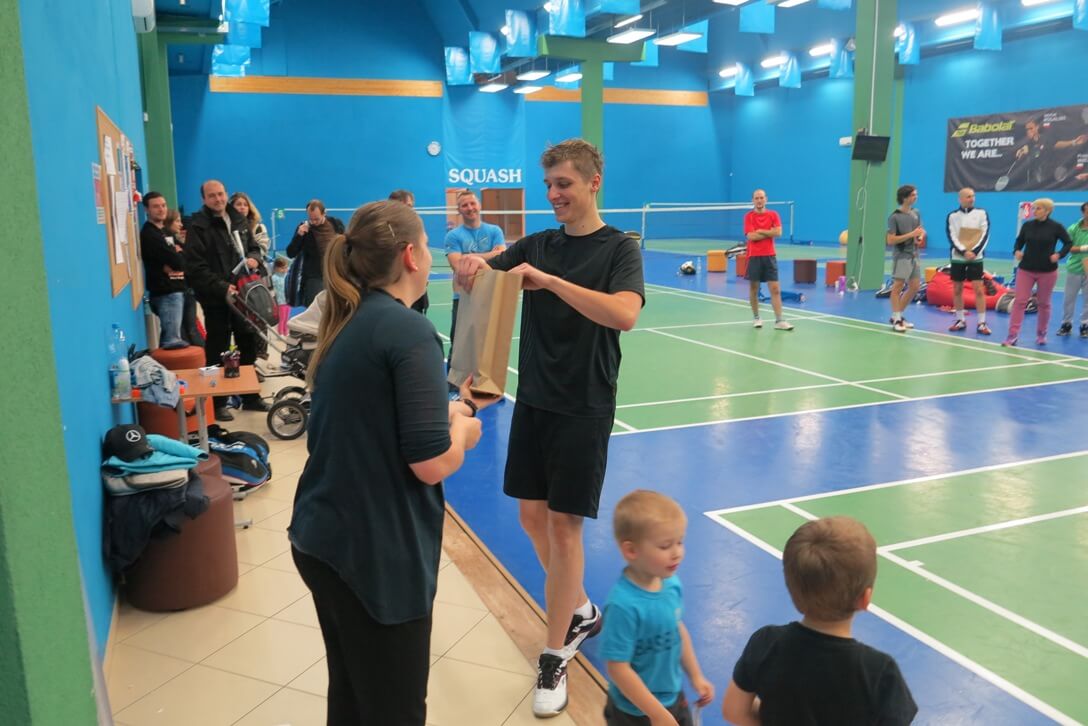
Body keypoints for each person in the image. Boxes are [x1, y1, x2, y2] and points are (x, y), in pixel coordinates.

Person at [455, 139, 645, 718]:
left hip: (584, 405)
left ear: (593, 182)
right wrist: (470, 268)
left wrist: (552, 282)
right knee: (531, 518)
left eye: (564, 183)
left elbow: (624, 314)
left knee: (564, 531)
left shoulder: (620, 248)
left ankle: (555, 653)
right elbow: (483, 278)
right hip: (535, 400)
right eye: (549, 185)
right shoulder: (538, 243)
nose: (554, 194)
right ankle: (581, 610)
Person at [288, 200, 498, 725]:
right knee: (393, 709)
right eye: (427, 245)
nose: (431, 255)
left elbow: (375, 414)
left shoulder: (351, 318)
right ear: (410, 256)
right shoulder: (410, 331)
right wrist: (463, 430)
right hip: (371, 556)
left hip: (322, 538)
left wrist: (449, 409)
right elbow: (431, 463)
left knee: (352, 695)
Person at [721, 516, 918, 726]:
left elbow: (734, 711)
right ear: (865, 599)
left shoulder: (766, 642)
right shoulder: (880, 673)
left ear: (793, 592)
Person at [599, 490, 714, 726]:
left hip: (673, 698)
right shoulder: (623, 606)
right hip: (634, 712)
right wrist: (656, 713)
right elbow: (618, 668)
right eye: (665, 546)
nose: (677, 553)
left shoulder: (671, 585)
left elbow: (676, 629)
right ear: (631, 550)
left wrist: (695, 676)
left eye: (680, 542)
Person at [183, 179, 267, 420]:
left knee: (247, 343)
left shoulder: (239, 219)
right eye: (212, 196)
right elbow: (195, 267)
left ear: (225, 194)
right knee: (217, 348)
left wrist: (254, 258)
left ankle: (250, 397)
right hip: (215, 298)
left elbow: (253, 247)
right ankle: (218, 402)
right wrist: (221, 287)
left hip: (243, 294)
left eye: (220, 194)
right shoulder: (198, 226)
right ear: (204, 199)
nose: (218, 199)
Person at [1004, 198, 1074, 347]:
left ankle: (1041, 334)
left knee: (1043, 303)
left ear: (1047, 211)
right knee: (1020, 301)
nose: (1034, 211)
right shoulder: (1027, 226)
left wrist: (1059, 255)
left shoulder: (1056, 227)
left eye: (1038, 208)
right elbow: (1019, 241)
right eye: (1034, 208)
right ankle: (1012, 336)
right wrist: (1016, 250)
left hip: (1047, 271)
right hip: (1026, 270)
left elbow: (1068, 243)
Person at [444, 190, 506, 359]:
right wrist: (490, 255)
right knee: (458, 347)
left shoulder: (495, 231)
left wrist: (468, 257)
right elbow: (458, 266)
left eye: (472, 203)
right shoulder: (453, 236)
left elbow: (502, 259)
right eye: (464, 205)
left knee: (488, 346)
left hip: (488, 295)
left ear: (479, 205)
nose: (470, 208)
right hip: (463, 297)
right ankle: (453, 378)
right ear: (459, 210)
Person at [140, 192, 188, 349]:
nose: (161, 209)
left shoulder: (164, 232)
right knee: (172, 342)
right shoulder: (150, 234)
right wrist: (177, 254)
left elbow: (182, 259)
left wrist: (178, 255)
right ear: (146, 209)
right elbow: (177, 262)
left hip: (175, 289)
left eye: (163, 205)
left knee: (171, 339)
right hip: (166, 293)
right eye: (156, 206)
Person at [743, 190, 793, 331]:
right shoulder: (748, 217)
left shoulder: (773, 215)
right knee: (754, 288)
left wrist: (760, 231)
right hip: (753, 256)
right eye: (756, 198)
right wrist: (769, 232)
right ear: (753, 200)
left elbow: (778, 232)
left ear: (766, 199)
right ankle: (756, 317)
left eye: (761, 198)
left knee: (775, 289)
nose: (759, 200)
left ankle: (779, 321)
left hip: (770, 256)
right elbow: (751, 237)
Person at [945, 187, 992, 335]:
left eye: (973, 196)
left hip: (976, 258)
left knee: (978, 289)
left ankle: (982, 323)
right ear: (960, 199)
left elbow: (985, 234)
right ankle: (960, 320)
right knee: (957, 289)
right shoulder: (952, 216)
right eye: (968, 196)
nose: (972, 199)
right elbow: (951, 236)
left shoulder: (981, 213)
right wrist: (963, 252)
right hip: (958, 258)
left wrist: (975, 252)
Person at [287, 199, 345, 307]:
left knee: (338, 307)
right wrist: (299, 235)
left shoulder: (336, 223)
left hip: (336, 274)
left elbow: (346, 244)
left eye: (316, 219)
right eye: (311, 219)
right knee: (314, 309)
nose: (313, 222)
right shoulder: (304, 228)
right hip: (315, 277)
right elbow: (290, 253)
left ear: (324, 213)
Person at [886, 185, 926, 333]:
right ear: (904, 197)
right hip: (902, 255)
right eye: (913, 195)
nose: (916, 197)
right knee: (898, 286)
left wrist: (919, 237)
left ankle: (897, 316)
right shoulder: (894, 217)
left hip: (914, 255)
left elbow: (920, 230)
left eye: (916, 194)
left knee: (915, 286)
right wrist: (911, 235)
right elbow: (890, 240)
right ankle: (897, 320)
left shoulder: (916, 213)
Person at [1014, 118, 1088, 187]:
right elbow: (1021, 160)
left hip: (1046, 177)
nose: (1029, 131)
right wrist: (1021, 154)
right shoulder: (1026, 144)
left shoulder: (1045, 139)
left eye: (1031, 128)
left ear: (1037, 127)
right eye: (1027, 129)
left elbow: (1057, 144)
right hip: (1031, 179)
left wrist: (1074, 142)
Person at [389, 189, 429, 314]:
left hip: (416, 299)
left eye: (410, 206)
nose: (407, 211)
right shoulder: (385, 234)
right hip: (395, 298)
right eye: (401, 206)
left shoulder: (418, 230)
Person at [1058, 202, 1088, 338]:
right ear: (1083, 212)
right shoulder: (1073, 228)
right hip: (1074, 268)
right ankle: (1066, 324)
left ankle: (1085, 326)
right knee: (1069, 299)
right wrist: (1084, 248)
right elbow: (1068, 248)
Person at [230, 191, 271, 259]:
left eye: (245, 205)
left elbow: (263, 248)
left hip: (253, 263)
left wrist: (250, 259)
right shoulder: (225, 227)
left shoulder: (258, 228)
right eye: (238, 204)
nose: (242, 207)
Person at [271, 257, 290, 336]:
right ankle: (280, 333)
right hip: (280, 302)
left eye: (286, 267)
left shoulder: (287, 276)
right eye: (282, 268)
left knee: (287, 318)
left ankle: (286, 331)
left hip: (288, 301)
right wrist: (274, 301)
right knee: (282, 318)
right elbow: (273, 291)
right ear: (276, 268)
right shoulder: (274, 278)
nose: (285, 270)